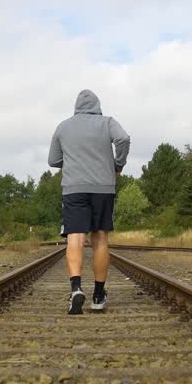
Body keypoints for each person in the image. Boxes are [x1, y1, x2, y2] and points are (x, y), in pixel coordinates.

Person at [48, 89, 130, 314]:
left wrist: (74, 160)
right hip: (103, 188)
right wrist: (118, 164)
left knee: (74, 238)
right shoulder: (108, 122)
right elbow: (123, 138)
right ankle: (98, 296)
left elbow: (53, 160)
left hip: (74, 189)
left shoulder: (63, 127)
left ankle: (76, 288)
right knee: (100, 239)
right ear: (97, 106)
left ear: (76, 107)